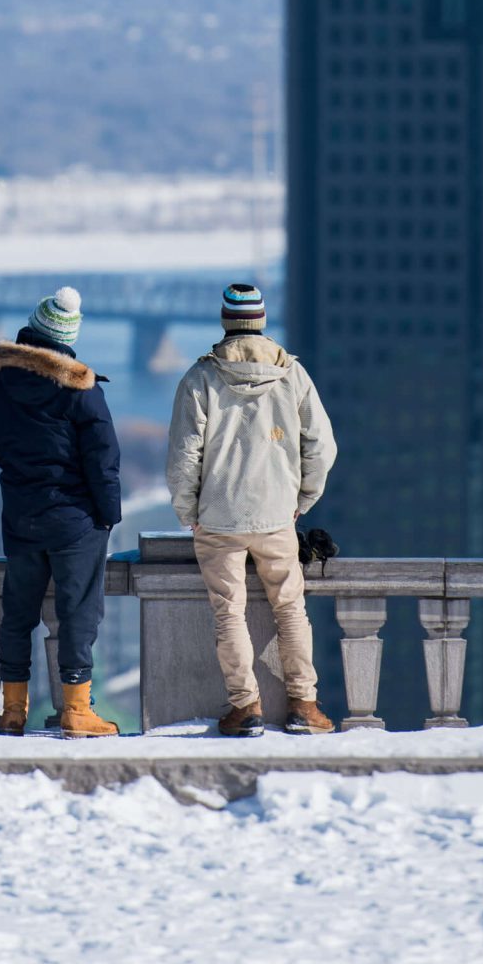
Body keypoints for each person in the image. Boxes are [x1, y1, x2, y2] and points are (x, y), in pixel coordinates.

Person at [165, 281, 338, 737]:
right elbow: (322, 447)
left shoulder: (200, 378)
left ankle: (246, 708)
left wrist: (189, 511)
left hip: (218, 518)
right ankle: (304, 705)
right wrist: (301, 501)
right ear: (260, 321)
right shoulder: (293, 376)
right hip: (277, 516)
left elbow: (185, 456)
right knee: (290, 609)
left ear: (226, 322)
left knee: (229, 611)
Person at [0, 286, 120, 737]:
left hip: (22, 516)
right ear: (68, 338)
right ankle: (76, 710)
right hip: (75, 522)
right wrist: (108, 516)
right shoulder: (81, 390)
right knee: (78, 614)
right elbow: (104, 461)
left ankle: (12, 710)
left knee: (17, 613)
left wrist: (16, 460)